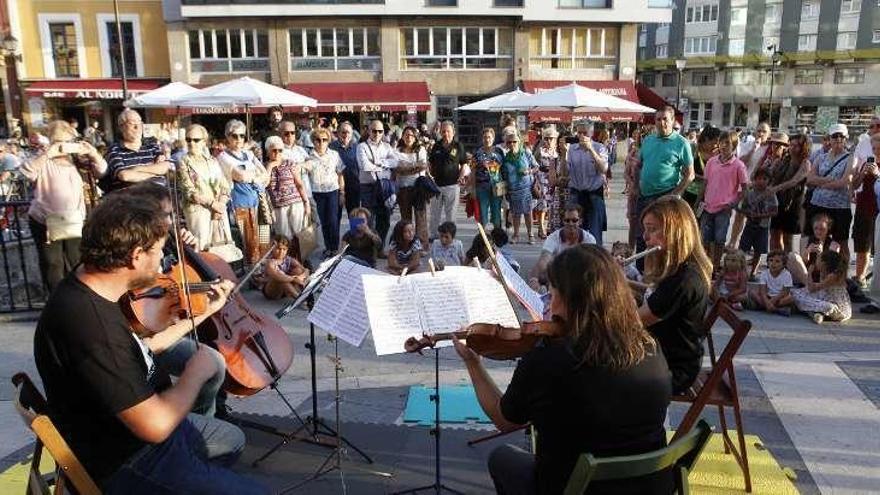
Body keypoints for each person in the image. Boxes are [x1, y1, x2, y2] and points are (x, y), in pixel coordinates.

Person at [32, 194, 267, 494]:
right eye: (158, 252)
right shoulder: (91, 326)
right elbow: (154, 425)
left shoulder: (91, 283)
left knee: (231, 441)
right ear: (136, 255)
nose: (162, 263)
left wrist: (203, 312)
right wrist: (197, 369)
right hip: (128, 458)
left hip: (128, 431)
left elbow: (141, 349)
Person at [455, 245, 672, 495]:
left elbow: (505, 419)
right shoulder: (649, 345)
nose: (549, 304)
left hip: (576, 487)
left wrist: (473, 362)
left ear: (570, 299)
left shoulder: (549, 360)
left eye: (552, 293)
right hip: (651, 486)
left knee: (502, 457)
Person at [638, 195, 712, 394]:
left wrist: (607, 288)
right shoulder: (681, 269)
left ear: (675, 232)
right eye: (645, 229)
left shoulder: (683, 280)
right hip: (660, 354)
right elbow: (651, 293)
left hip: (671, 369)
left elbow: (633, 321)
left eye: (652, 229)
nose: (645, 237)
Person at [21, 120, 107, 292]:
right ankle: (56, 301)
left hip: (74, 220)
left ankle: (77, 297)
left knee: (77, 261)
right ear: (51, 142)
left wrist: (93, 153)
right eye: (59, 142)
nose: (63, 147)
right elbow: (26, 171)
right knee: (53, 264)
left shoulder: (79, 162)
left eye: (67, 142)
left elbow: (102, 171)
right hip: (45, 221)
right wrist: (48, 153)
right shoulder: (43, 159)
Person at [633, 107, 694, 266]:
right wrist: (635, 186)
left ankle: (663, 270)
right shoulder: (648, 141)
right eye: (658, 119)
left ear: (673, 121)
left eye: (665, 119)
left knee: (664, 237)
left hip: (666, 196)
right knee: (642, 235)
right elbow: (638, 165)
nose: (662, 123)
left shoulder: (681, 143)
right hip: (645, 195)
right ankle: (641, 273)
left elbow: (690, 174)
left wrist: (674, 194)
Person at [218, 120, 270, 266]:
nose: (239, 140)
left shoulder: (248, 154)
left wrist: (251, 176)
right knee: (250, 241)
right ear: (227, 136)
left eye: (242, 136)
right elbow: (240, 176)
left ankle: (264, 269)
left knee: (264, 237)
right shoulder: (223, 156)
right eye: (235, 136)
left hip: (259, 201)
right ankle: (254, 273)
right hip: (240, 203)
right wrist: (254, 176)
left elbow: (265, 175)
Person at [177, 124, 233, 252]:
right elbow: (189, 192)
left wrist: (221, 205)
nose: (192, 143)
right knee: (201, 249)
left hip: (218, 210)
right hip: (198, 211)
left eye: (196, 140)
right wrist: (213, 204)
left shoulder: (212, 160)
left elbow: (225, 185)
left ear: (204, 142)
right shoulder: (183, 162)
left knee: (222, 249)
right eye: (188, 139)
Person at [805, 123, 855, 262]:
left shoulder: (850, 157)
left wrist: (820, 182)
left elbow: (844, 182)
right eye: (835, 136)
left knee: (841, 242)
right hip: (818, 204)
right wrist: (828, 180)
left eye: (842, 136)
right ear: (830, 138)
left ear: (846, 138)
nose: (838, 139)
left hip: (839, 207)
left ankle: (842, 277)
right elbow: (809, 179)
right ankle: (814, 273)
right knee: (815, 240)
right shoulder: (821, 157)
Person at [701, 130, 748, 270]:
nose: (724, 145)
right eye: (722, 142)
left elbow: (745, 188)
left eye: (727, 142)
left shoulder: (738, 165)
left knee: (719, 239)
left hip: (724, 208)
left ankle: (715, 266)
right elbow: (705, 183)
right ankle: (707, 265)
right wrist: (699, 202)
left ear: (734, 144)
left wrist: (733, 204)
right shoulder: (711, 162)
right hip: (708, 206)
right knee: (706, 239)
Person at [103, 109, 171, 192]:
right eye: (132, 123)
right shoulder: (115, 150)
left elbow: (165, 167)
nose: (137, 127)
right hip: (132, 200)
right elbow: (125, 175)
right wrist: (154, 173)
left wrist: (137, 168)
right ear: (121, 127)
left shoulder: (152, 146)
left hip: (159, 196)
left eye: (140, 123)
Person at [529, 205, 596, 289]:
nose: (570, 224)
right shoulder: (553, 238)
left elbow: (592, 265)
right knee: (542, 275)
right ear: (563, 221)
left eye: (574, 220)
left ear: (580, 221)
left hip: (580, 278)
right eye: (567, 220)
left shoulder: (589, 239)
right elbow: (544, 259)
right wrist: (534, 280)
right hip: (558, 278)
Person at [304, 127, 345, 257]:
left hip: (333, 190)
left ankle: (335, 248)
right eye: (318, 140)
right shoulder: (308, 156)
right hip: (317, 192)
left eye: (324, 140)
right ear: (313, 141)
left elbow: (340, 174)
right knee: (324, 222)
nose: (321, 143)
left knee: (333, 221)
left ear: (328, 141)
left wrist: (342, 192)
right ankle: (328, 247)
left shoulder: (334, 155)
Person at [567, 121, 609, 245]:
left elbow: (603, 169)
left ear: (591, 133)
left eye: (584, 133)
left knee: (595, 234)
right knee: (576, 233)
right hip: (576, 193)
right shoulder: (572, 149)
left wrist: (591, 150)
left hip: (594, 194)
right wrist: (563, 153)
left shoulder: (599, 147)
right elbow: (565, 173)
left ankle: (595, 260)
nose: (581, 136)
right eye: (579, 132)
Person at [357, 119, 396, 250]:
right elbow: (364, 165)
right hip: (368, 186)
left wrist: (380, 164)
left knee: (384, 219)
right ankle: (367, 249)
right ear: (369, 131)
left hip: (384, 187)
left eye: (380, 131)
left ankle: (379, 248)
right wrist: (383, 165)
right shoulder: (361, 146)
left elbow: (395, 162)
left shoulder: (387, 146)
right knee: (368, 219)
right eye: (374, 131)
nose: (377, 134)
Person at [850, 118, 880, 288]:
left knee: (877, 247)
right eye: (874, 148)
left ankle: (875, 283)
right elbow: (854, 184)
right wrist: (861, 175)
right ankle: (860, 277)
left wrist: (877, 174)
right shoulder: (868, 161)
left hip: (878, 209)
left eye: (877, 148)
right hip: (864, 206)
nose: (875, 151)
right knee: (862, 244)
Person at [768, 133, 810, 253]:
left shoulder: (805, 163)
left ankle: (788, 265)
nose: (792, 148)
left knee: (787, 239)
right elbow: (771, 175)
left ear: (803, 147)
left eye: (796, 146)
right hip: (778, 201)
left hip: (793, 202)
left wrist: (774, 189)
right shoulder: (784, 160)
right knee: (774, 234)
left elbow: (794, 181)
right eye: (791, 145)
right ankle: (774, 262)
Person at [264, 135, 310, 243]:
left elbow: (299, 184)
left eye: (280, 150)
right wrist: (270, 166)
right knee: (283, 237)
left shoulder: (289, 163)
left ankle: (301, 259)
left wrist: (306, 203)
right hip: (278, 207)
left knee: (299, 234)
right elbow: (264, 184)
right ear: (267, 152)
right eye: (274, 150)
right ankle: (286, 259)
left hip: (295, 203)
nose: (277, 153)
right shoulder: (265, 166)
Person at [737, 167, 778, 279]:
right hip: (750, 225)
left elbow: (775, 211)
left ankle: (753, 271)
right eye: (758, 179)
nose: (761, 181)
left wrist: (760, 215)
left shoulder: (770, 194)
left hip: (763, 227)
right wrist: (746, 212)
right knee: (743, 249)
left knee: (759, 251)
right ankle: (741, 271)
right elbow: (743, 208)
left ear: (769, 181)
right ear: (754, 180)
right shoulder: (750, 194)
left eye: (764, 179)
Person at [428, 120, 467, 236]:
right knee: (435, 214)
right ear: (440, 132)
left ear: (453, 132)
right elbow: (430, 163)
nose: (446, 134)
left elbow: (464, 164)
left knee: (451, 214)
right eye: (443, 131)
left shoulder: (458, 146)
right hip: (436, 185)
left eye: (448, 131)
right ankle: (434, 235)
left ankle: (450, 236)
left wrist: (461, 176)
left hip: (452, 185)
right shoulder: (436, 145)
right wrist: (430, 176)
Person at [792, 250, 851, 324]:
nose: (816, 261)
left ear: (823, 263)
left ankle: (813, 312)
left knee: (799, 297)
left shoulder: (832, 276)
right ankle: (816, 313)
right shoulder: (823, 272)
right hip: (827, 298)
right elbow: (812, 288)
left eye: (818, 259)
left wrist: (809, 273)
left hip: (838, 309)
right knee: (799, 292)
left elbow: (812, 289)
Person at [499, 127, 536, 244]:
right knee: (515, 214)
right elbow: (503, 175)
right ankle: (516, 234)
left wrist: (528, 171)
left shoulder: (526, 153)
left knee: (528, 212)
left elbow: (536, 167)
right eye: (509, 142)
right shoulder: (506, 159)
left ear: (519, 142)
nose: (512, 144)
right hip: (513, 190)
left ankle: (530, 234)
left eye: (514, 141)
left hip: (526, 188)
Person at [394, 125, 429, 248]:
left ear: (415, 137)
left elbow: (423, 166)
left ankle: (423, 245)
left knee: (421, 219)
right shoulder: (397, 150)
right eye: (406, 135)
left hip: (418, 188)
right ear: (402, 136)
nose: (409, 137)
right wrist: (414, 166)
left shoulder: (421, 150)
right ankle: (408, 244)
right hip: (403, 188)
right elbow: (397, 168)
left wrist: (405, 167)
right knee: (406, 219)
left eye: (411, 135)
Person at [788, 213, 842, 286]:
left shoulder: (834, 245)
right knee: (792, 255)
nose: (818, 232)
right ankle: (809, 285)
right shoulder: (806, 240)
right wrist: (807, 251)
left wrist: (821, 254)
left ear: (828, 229)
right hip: (806, 276)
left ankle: (814, 287)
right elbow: (803, 263)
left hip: (823, 278)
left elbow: (827, 269)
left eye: (822, 229)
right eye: (816, 228)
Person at [471, 127, 505, 229]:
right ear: (482, 139)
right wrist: (472, 188)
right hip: (482, 187)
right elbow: (473, 171)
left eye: (489, 137)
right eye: (485, 137)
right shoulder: (477, 153)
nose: (487, 140)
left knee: (496, 213)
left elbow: (504, 169)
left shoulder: (499, 151)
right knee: (482, 213)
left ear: (493, 138)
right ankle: (483, 238)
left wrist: (505, 186)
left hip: (497, 186)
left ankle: (496, 236)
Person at [681, 126, 720, 211]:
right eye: (714, 142)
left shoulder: (717, 155)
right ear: (706, 139)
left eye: (718, 143)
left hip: (706, 196)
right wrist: (703, 178)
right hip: (688, 191)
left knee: (698, 221)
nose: (716, 146)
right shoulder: (692, 149)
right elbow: (683, 170)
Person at [747, 250, 794, 316]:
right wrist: (767, 302)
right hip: (767, 296)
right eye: (771, 260)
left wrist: (772, 301)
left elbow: (785, 292)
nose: (773, 263)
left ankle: (764, 307)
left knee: (791, 298)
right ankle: (776, 309)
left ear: (784, 264)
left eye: (777, 261)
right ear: (767, 262)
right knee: (752, 292)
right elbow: (762, 291)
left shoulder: (787, 274)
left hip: (779, 298)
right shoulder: (764, 273)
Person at [263, 235, 309, 300]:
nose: (281, 252)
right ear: (272, 248)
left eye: (284, 249)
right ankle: (298, 298)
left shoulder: (287, 259)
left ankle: (299, 291)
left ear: (287, 250)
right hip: (272, 291)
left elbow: (306, 270)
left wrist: (301, 277)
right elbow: (277, 276)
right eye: (278, 249)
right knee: (282, 277)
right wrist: (294, 279)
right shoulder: (270, 261)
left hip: (285, 289)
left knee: (298, 270)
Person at [532, 126, 558, 239]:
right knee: (542, 204)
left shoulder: (558, 151)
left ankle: (549, 227)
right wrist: (536, 180)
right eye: (546, 138)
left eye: (551, 138)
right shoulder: (540, 151)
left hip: (553, 179)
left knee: (552, 204)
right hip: (541, 177)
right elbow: (534, 164)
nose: (548, 141)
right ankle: (541, 227)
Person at [331, 121, 362, 214]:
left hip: (354, 188)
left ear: (352, 134)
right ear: (338, 133)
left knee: (356, 219)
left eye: (348, 132)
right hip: (335, 189)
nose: (346, 135)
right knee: (334, 220)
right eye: (343, 132)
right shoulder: (331, 148)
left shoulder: (358, 148)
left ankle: (355, 229)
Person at [278, 120, 313, 200]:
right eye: (286, 133)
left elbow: (311, 165)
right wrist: (303, 165)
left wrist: (300, 165)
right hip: (290, 196)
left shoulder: (300, 149)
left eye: (292, 133)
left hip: (307, 192)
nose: (290, 135)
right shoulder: (278, 151)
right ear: (280, 134)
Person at [547, 131, 571, 234]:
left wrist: (563, 179)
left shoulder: (575, 159)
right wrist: (564, 180)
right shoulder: (554, 161)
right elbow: (552, 181)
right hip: (558, 198)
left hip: (572, 197)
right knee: (557, 229)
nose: (563, 145)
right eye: (561, 143)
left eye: (566, 143)